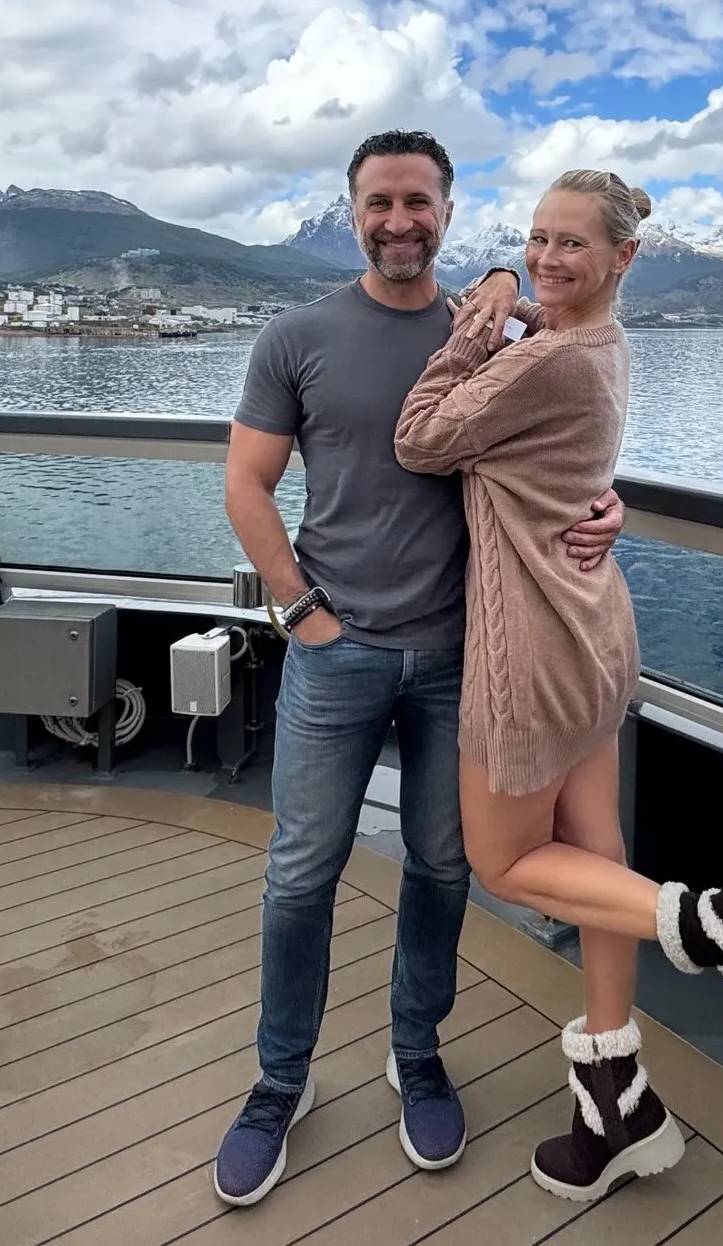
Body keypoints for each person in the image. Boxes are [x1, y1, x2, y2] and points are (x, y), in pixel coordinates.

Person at [394, 169, 723, 1203]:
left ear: (624, 256)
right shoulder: (602, 347)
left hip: (529, 646)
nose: (546, 259)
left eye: (571, 244)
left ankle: (715, 924)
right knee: (592, 851)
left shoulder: (548, 360)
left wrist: (469, 334)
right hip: (595, 633)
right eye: (534, 239)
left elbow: (420, 437)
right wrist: (501, 291)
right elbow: (540, 431)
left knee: (507, 858)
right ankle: (614, 1100)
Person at [214, 130, 627, 1208]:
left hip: (464, 658)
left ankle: (417, 1052)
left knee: (444, 869)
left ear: (447, 212)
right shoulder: (296, 336)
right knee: (302, 871)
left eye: (418, 203)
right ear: (353, 211)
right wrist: (299, 613)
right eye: (380, 202)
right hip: (333, 648)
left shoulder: (495, 330)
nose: (399, 220)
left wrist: (606, 508)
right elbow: (246, 486)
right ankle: (279, 1080)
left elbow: (571, 429)